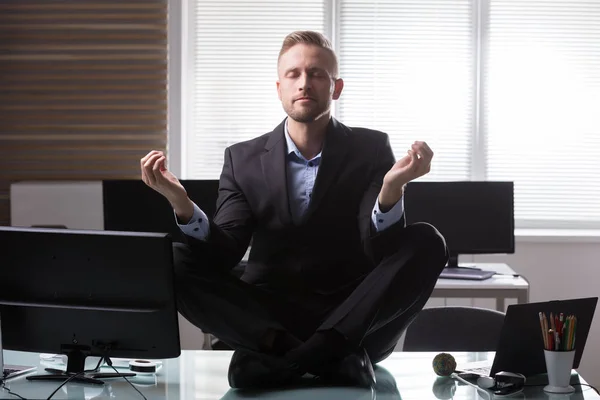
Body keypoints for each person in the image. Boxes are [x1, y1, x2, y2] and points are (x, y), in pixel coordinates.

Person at [140, 30, 448, 389]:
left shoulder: (371, 148)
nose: (305, 83)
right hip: (269, 320)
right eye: (294, 74)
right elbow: (223, 253)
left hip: (352, 317)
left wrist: (392, 189)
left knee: (428, 240)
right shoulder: (242, 158)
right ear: (279, 87)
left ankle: (301, 357)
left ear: (336, 87)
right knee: (171, 259)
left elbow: (379, 250)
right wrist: (182, 202)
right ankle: (313, 357)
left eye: (317, 74)